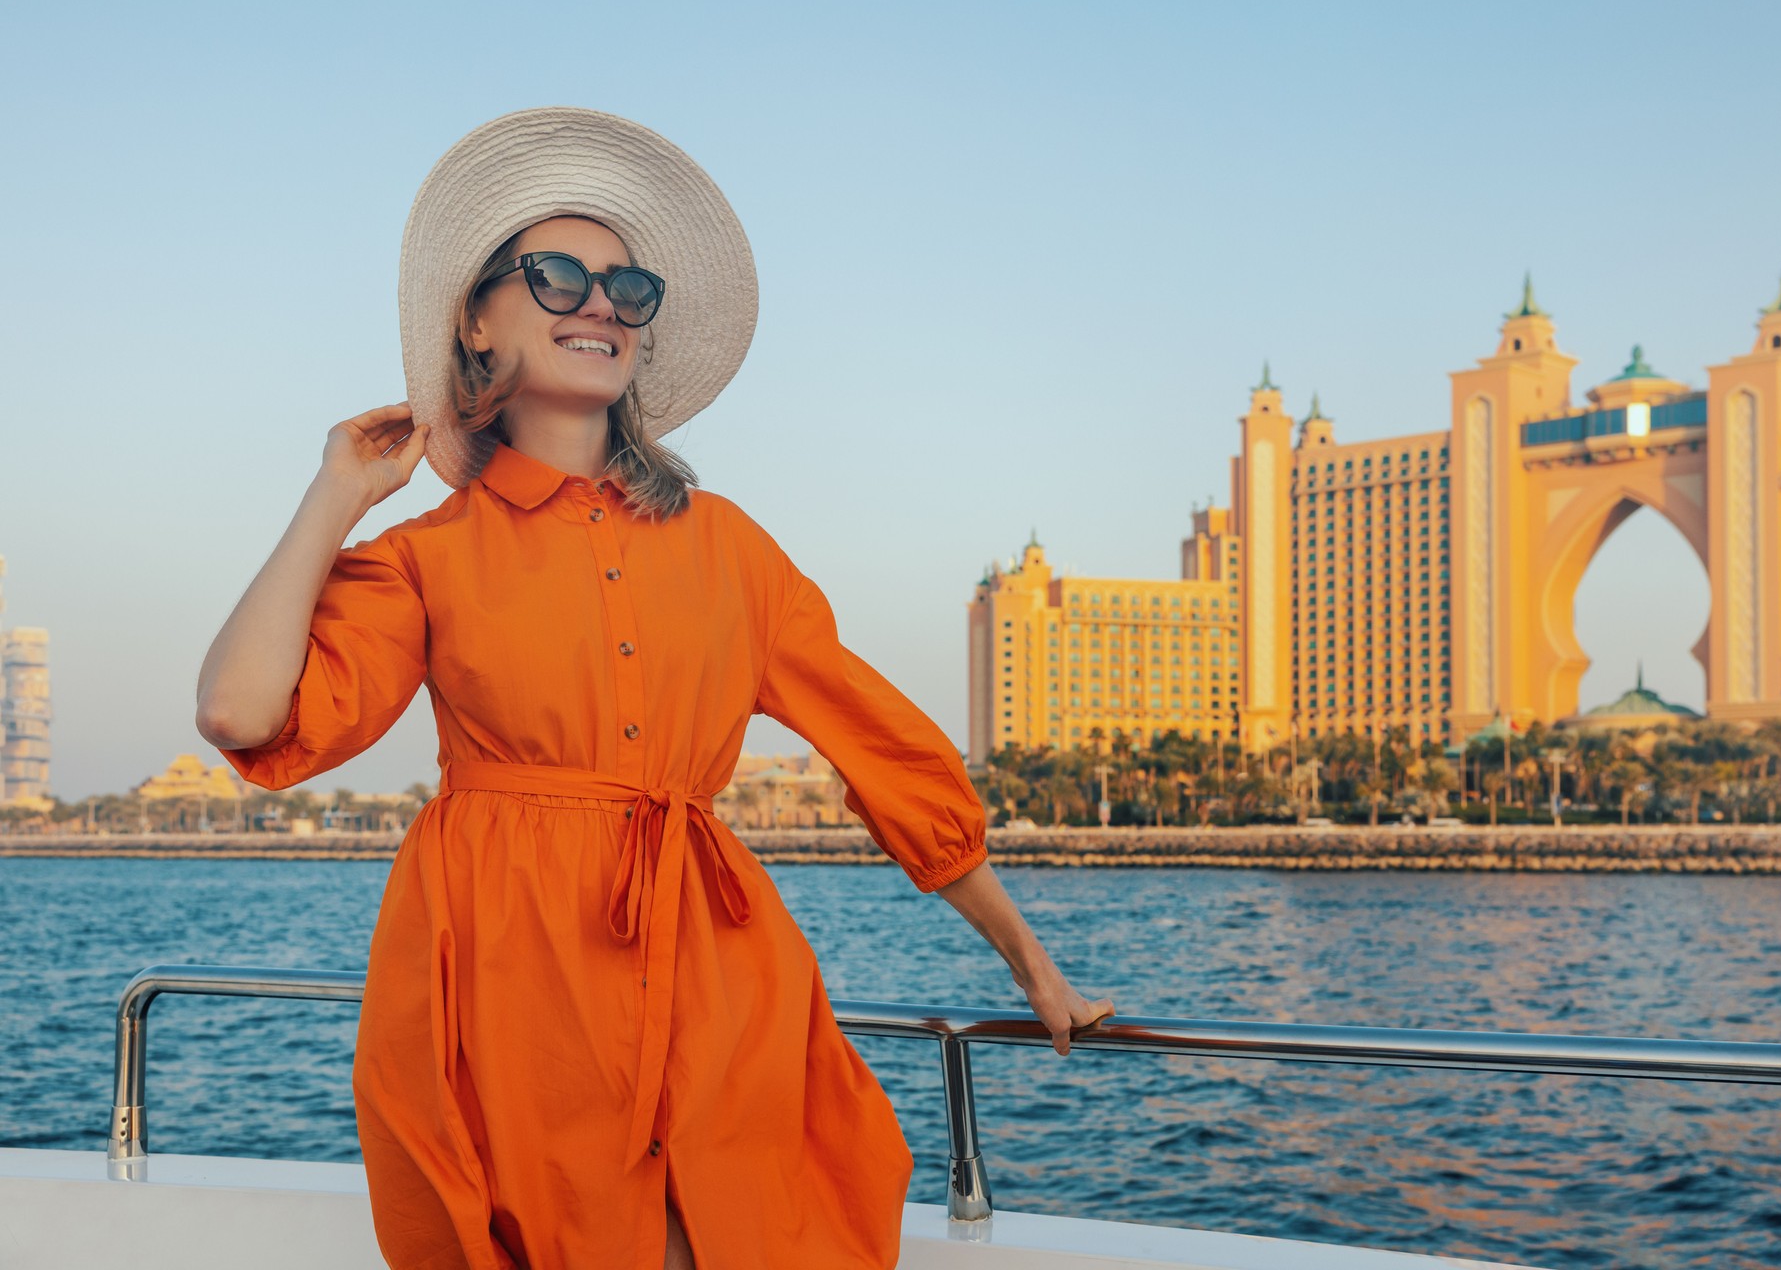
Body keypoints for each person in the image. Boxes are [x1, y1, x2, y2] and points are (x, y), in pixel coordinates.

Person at [195, 107, 1115, 1270]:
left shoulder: (730, 549)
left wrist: (1031, 961)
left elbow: (891, 753)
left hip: (712, 956)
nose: (600, 303)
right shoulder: (429, 555)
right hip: (508, 964)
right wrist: (335, 494)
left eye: (628, 289)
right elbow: (242, 712)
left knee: (739, 1228)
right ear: (477, 317)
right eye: (561, 274)